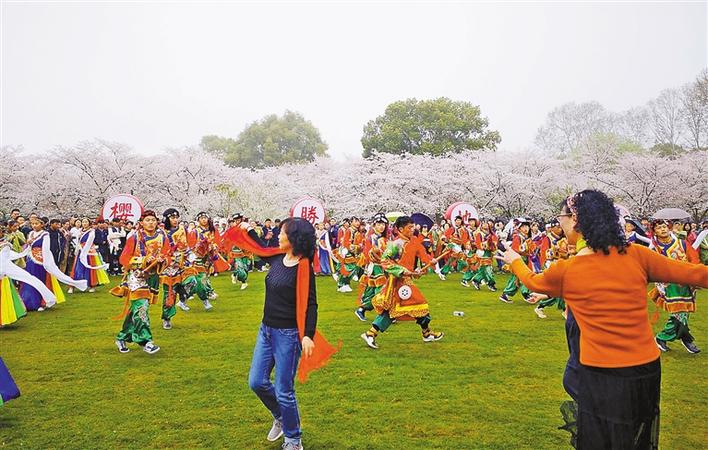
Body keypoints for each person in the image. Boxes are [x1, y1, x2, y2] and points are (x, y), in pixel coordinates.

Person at [496, 189, 708, 450]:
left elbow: (532, 281)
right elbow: (696, 274)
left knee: (603, 439)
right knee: (636, 437)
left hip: (602, 373)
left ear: (575, 219)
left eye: (561, 217)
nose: (559, 223)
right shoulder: (637, 255)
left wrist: (515, 260)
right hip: (645, 369)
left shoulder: (568, 269)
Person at [223, 217, 339, 450]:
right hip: (266, 330)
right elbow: (261, 248)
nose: (278, 235)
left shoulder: (304, 267)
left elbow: (311, 304)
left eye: (282, 232)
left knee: (284, 390)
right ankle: (281, 417)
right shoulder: (277, 256)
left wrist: (307, 335)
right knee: (256, 382)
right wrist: (249, 230)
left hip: (288, 334)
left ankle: (293, 440)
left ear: (294, 238)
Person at [361, 216, 445, 349]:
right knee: (418, 304)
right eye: (409, 227)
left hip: (406, 280)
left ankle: (371, 333)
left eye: (413, 227)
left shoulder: (414, 241)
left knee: (396, 309)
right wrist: (403, 271)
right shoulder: (396, 244)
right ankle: (426, 333)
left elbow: (423, 254)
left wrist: (430, 261)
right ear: (400, 229)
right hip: (398, 281)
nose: (413, 229)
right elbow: (385, 261)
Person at [112, 210, 167, 355]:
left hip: (153, 277)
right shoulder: (134, 237)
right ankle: (146, 341)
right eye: (147, 220)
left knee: (136, 309)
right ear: (142, 223)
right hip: (137, 277)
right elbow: (124, 258)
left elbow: (167, 254)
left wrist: (163, 260)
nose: (151, 223)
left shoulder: (162, 236)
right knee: (141, 307)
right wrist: (144, 260)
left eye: (153, 220)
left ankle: (122, 337)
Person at [650, 219, 701, 354]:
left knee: (684, 313)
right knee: (678, 312)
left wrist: (695, 275)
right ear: (654, 232)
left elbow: (694, 259)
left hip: (686, 282)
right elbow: (654, 269)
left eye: (664, 226)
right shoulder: (655, 249)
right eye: (659, 228)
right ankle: (664, 337)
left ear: (669, 228)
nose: (663, 229)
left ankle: (684, 337)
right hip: (670, 284)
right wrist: (659, 284)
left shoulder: (682, 243)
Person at [20, 217, 87, 311]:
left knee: (41, 280)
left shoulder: (45, 235)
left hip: (40, 262)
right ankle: (27, 301)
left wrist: (46, 262)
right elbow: (29, 248)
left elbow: (46, 249)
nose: (34, 226)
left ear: (42, 225)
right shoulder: (31, 234)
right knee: (30, 281)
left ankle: (41, 302)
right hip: (31, 260)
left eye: (36, 224)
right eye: (33, 224)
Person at [69, 218, 110, 293]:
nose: (84, 223)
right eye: (83, 222)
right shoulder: (80, 231)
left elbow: (89, 242)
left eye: (86, 222)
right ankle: (73, 286)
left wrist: (83, 249)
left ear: (89, 223)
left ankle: (92, 285)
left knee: (90, 269)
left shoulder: (91, 232)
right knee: (77, 268)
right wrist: (78, 249)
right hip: (80, 251)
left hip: (89, 252)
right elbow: (78, 241)